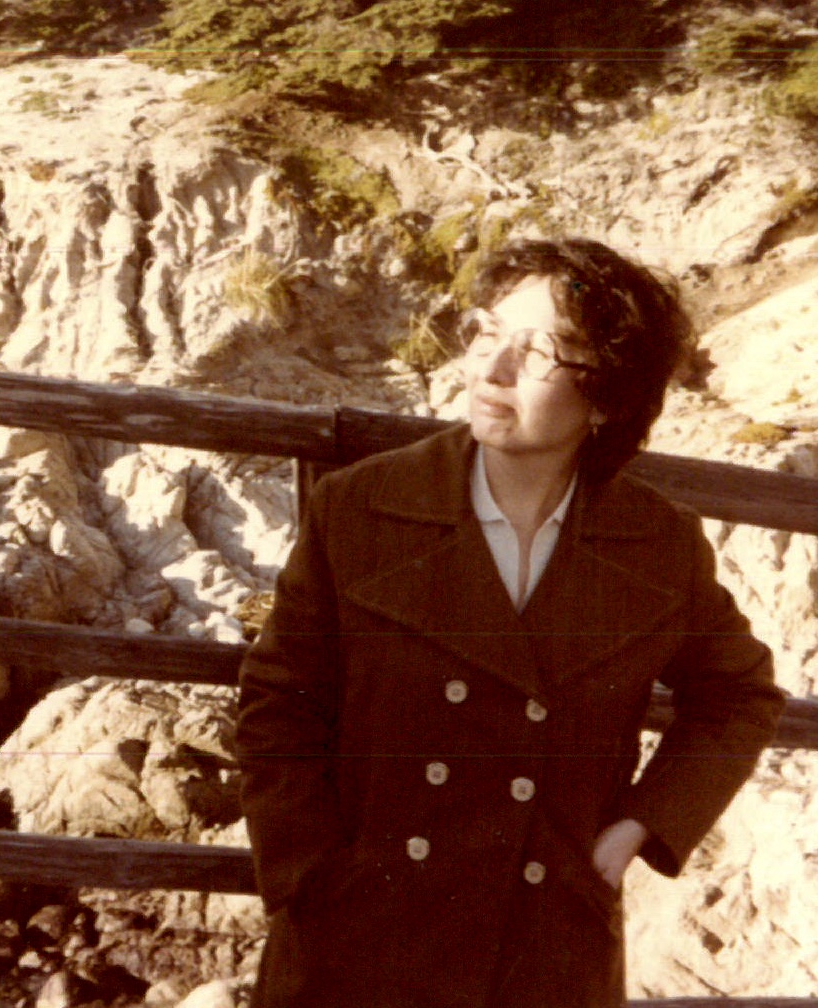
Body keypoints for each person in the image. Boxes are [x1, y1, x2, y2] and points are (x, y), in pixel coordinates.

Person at [234, 237, 785, 1008]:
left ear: (607, 394)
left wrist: (638, 826)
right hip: (359, 939)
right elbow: (278, 702)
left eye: (538, 352)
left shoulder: (656, 543)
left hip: (544, 942)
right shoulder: (361, 505)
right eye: (486, 332)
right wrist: (311, 876)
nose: (491, 370)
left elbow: (738, 695)